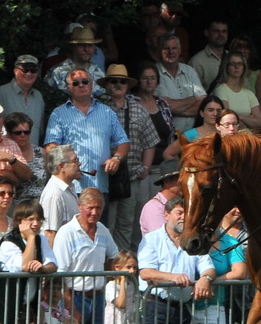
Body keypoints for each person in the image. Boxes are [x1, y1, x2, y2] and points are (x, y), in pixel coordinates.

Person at [51, 187, 118, 324]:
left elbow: (115, 257)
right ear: (80, 206)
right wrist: (69, 303)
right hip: (75, 296)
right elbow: (61, 273)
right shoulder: (66, 233)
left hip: (97, 297)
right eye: (90, 207)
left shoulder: (103, 230)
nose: (95, 212)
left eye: (99, 208)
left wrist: (110, 281)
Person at [43, 69, 129, 194]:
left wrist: (116, 158)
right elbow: (51, 147)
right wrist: (68, 164)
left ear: (92, 84)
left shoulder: (107, 112)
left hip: (100, 186)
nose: (81, 85)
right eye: (76, 83)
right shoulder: (58, 114)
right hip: (70, 187)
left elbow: (123, 142)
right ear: (69, 88)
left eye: (85, 81)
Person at [102, 64, 157, 252]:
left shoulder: (138, 108)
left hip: (132, 175)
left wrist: (146, 168)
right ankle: (107, 264)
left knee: (127, 222)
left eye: (122, 81)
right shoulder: (98, 107)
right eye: (113, 81)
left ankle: (123, 263)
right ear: (107, 84)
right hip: (105, 175)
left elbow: (150, 141)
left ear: (128, 84)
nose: (118, 85)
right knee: (107, 221)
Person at [154, 33, 208, 133]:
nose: (171, 52)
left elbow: (204, 103)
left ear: (179, 51)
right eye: (166, 48)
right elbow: (166, 106)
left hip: (193, 136)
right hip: (168, 137)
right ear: (159, 52)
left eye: (174, 48)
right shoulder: (154, 73)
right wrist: (193, 99)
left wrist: (176, 109)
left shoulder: (189, 70)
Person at [0, 55, 46, 147]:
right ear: (15, 71)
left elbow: (40, 131)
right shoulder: (0, 94)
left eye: (33, 70)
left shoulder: (38, 97)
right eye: (25, 70)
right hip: (7, 155)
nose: (29, 74)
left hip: (33, 156)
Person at [210, 52, 261, 132]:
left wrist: (239, 116)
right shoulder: (221, 90)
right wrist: (249, 118)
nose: (237, 67)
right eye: (233, 64)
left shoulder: (249, 93)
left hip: (247, 139)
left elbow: (260, 122)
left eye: (240, 64)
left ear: (244, 67)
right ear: (226, 67)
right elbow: (227, 119)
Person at [47, 25, 106, 97]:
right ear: (72, 47)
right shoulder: (58, 71)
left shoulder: (100, 73)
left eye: (90, 45)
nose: (86, 49)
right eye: (81, 45)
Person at [40, 145, 83, 235]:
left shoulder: (68, 188)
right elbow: (50, 234)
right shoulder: (54, 195)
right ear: (61, 166)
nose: (79, 164)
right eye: (75, 160)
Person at [139, 162, 182, 237]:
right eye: (180, 180)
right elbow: (161, 239)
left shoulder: (181, 204)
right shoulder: (153, 207)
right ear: (167, 182)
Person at [190, 19, 230, 89]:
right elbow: (193, 92)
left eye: (224, 31)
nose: (220, 34)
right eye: (216, 31)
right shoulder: (197, 62)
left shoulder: (232, 57)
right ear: (207, 33)